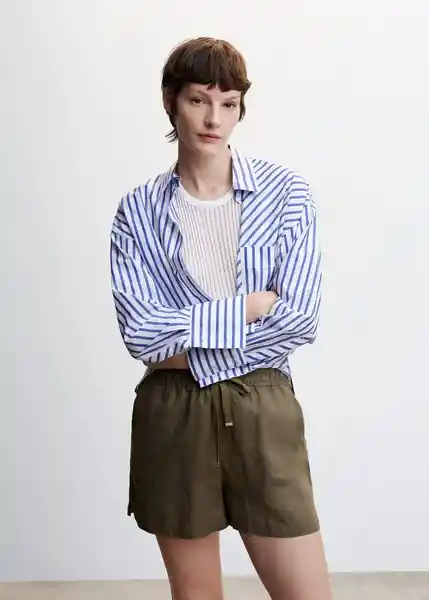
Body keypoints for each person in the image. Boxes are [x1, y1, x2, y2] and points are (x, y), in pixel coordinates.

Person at [110, 36, 331, 600]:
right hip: (173, 413)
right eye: (198, 100)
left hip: (263, 406)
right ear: (171, 101)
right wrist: (247, 309)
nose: (214, 119)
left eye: (228, 103)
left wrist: (188, 341)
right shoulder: (138, 211)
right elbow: (142, 336)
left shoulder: (285, 194)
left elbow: (298, 319)